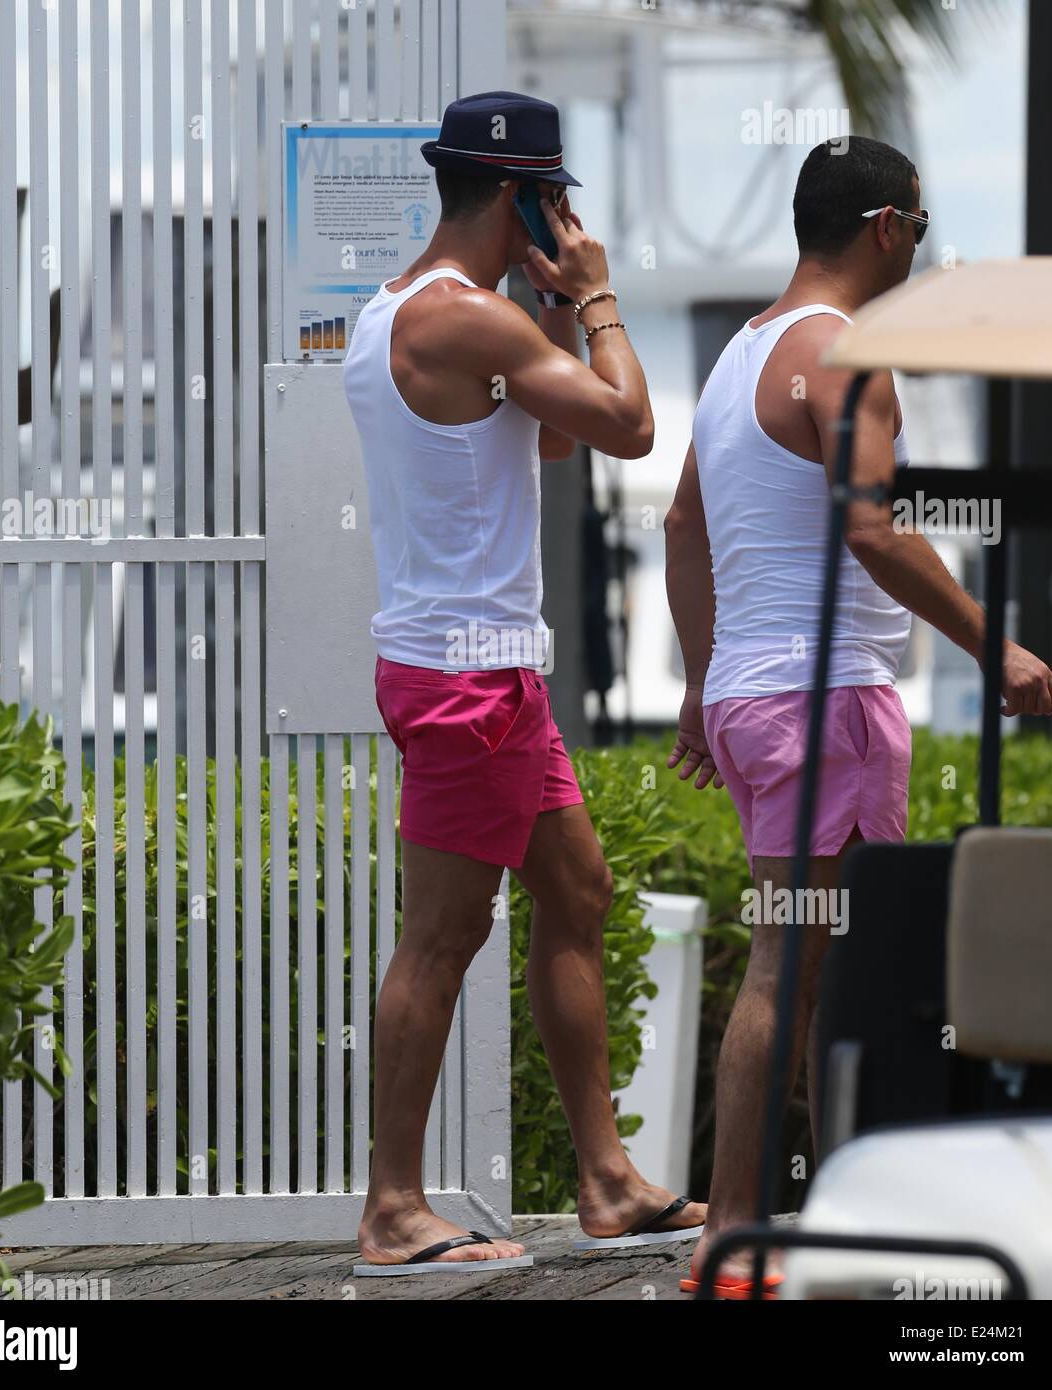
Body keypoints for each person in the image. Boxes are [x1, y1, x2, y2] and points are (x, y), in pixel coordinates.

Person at [664, 135, 1052, 1298]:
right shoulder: (846, 355)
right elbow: (872, 527)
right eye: (921, 231)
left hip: (752, 688)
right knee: (804, 964)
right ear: (886, 227)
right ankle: (751, 1234)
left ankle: (758, 1225)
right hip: (823, 693)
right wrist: (994, 644)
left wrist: (701, 678)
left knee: (797, 956)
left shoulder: (739, 356)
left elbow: (685, 526)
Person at [343, 90, 706, 1271]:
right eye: (557, 204)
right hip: (467, 678)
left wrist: (546, 308)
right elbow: (630, 427)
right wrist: (592, 297)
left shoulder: (399, 311)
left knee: (580, 887)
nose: (567, 222)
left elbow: (548, 438)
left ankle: (603, 1179)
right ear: (524, 200)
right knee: (441, 936)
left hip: (483, 670)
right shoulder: (464, 324)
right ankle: (393, 1208)